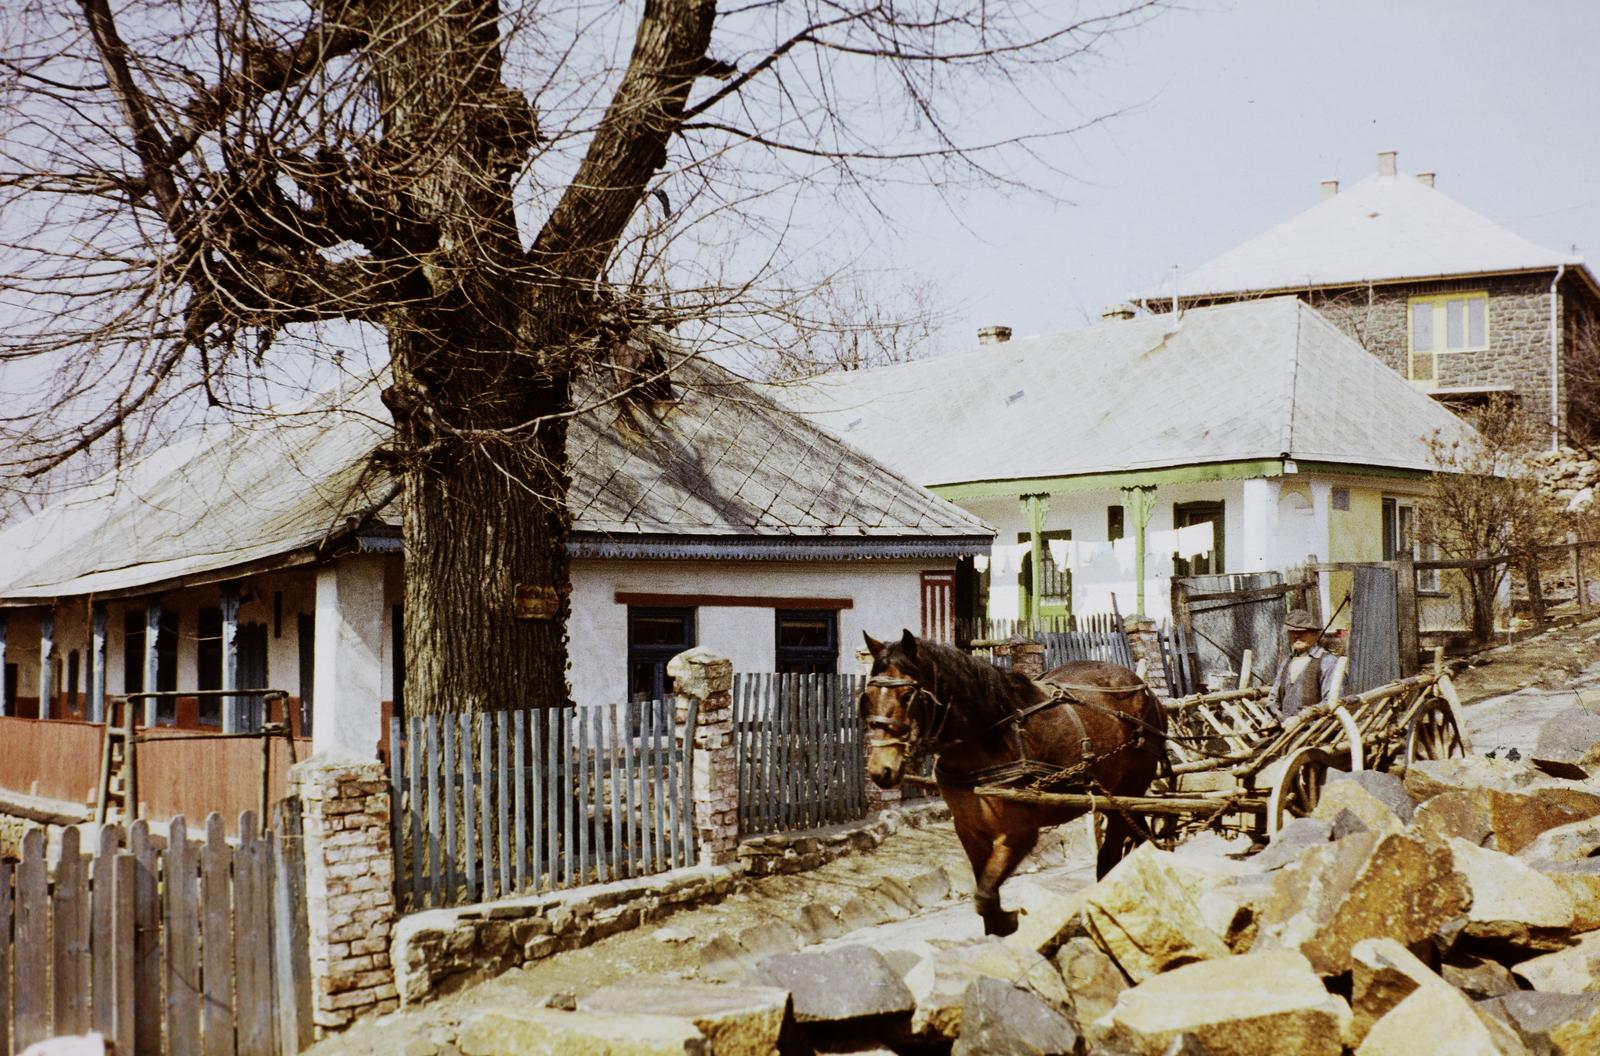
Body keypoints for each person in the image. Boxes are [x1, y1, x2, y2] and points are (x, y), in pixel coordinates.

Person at [1267, 608, 1341, 720]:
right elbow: (1273, 698)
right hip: (1286, 729)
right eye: (1292, 632)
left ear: (1315, 635)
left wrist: (1301, 718)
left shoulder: (1328, 662)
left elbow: (1331, 702)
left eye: (1302, 632)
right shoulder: (1287, 662)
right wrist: (1271, 718)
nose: (1296, 636)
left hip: (1316, 731)